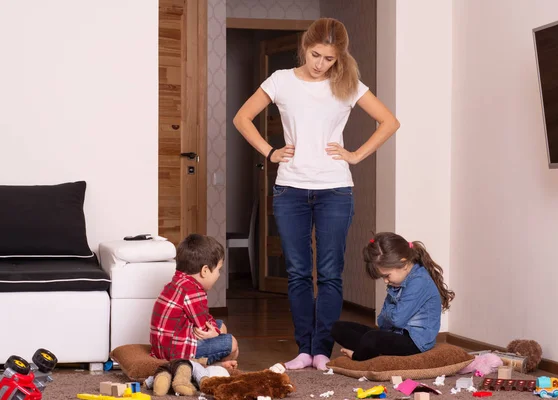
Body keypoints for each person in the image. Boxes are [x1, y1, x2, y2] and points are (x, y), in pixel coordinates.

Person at [233, 17, 400, 370]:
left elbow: (389, 121)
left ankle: (322, 349)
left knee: (329, 273)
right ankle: (304, 349)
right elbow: (242, 118)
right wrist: (269, 151)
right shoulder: (280, 80)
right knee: (296, 272)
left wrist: (354, 155)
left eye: (328, 58)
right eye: (315, 54)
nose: (320, 64)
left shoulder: (348, 84)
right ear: (305, 47)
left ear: (338, 58)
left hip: (335, 190)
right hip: (290, 189)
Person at [331, 232, 455, 361]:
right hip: (395, 334)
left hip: (416, 342)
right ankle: (371, 350)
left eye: (386, 275)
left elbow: (397, 320)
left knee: (371, 338)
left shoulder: (419, 282)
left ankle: (359, 356)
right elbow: (381, 322)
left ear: (404, 264)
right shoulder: (397, 282)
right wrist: (391, 315)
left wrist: (389, 314)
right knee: (338, 328)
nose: (385, 281)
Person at [150, 234, 238, 368]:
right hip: (176, 353)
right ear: (205, 270)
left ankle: (211, 363)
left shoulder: (177, 282)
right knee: (232, 344)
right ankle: (212, 368)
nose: (219, 275)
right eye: (218, 270)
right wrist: (214, 333)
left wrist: (215, 330)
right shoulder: (193, 291)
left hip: (163, 347)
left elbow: (204, 320)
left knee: (221, 326)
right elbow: (203, 328)